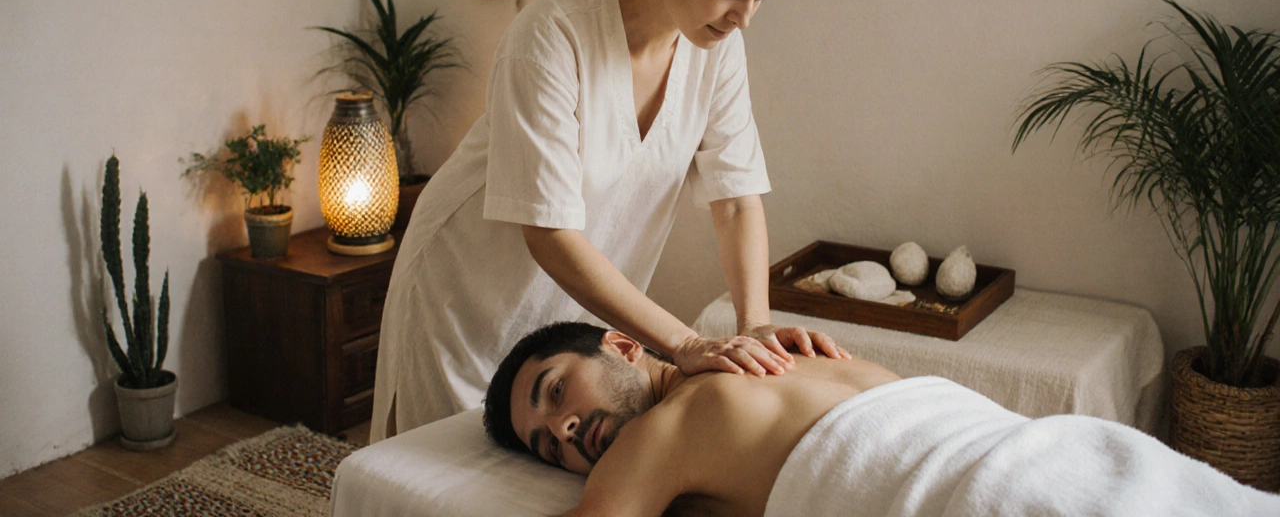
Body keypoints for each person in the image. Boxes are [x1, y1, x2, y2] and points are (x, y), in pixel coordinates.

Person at [369, 0, 847, 443]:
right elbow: (549, 232)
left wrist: (754, 324)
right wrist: (686, 344)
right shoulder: (551, 38)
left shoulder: (716, 51)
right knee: (440, 475)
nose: (744, 18)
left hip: (571, 313)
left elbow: (735, 199)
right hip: (465, 288)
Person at [484, 322, 1280, 517]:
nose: (564, 433)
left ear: (622, 346)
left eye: (555, 394)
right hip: (1080, 454)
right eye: (544, 448)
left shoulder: (661, 431)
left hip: (999, 484)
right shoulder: (791, 353)